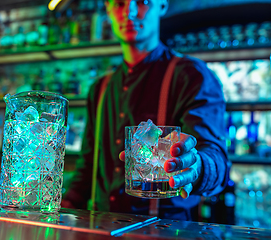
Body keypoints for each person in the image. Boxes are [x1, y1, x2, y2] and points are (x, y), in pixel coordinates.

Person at [62, 0, 230, 221]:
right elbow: (87, 168)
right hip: (100, 227)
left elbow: (217, 159)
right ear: (108, 9)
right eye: (119, 3)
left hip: (166, 231)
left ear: (162, 5)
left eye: (142, 2)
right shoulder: (100, 89)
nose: (129, 12)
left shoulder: (192, 76)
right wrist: (62, 207)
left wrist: (197, 167)